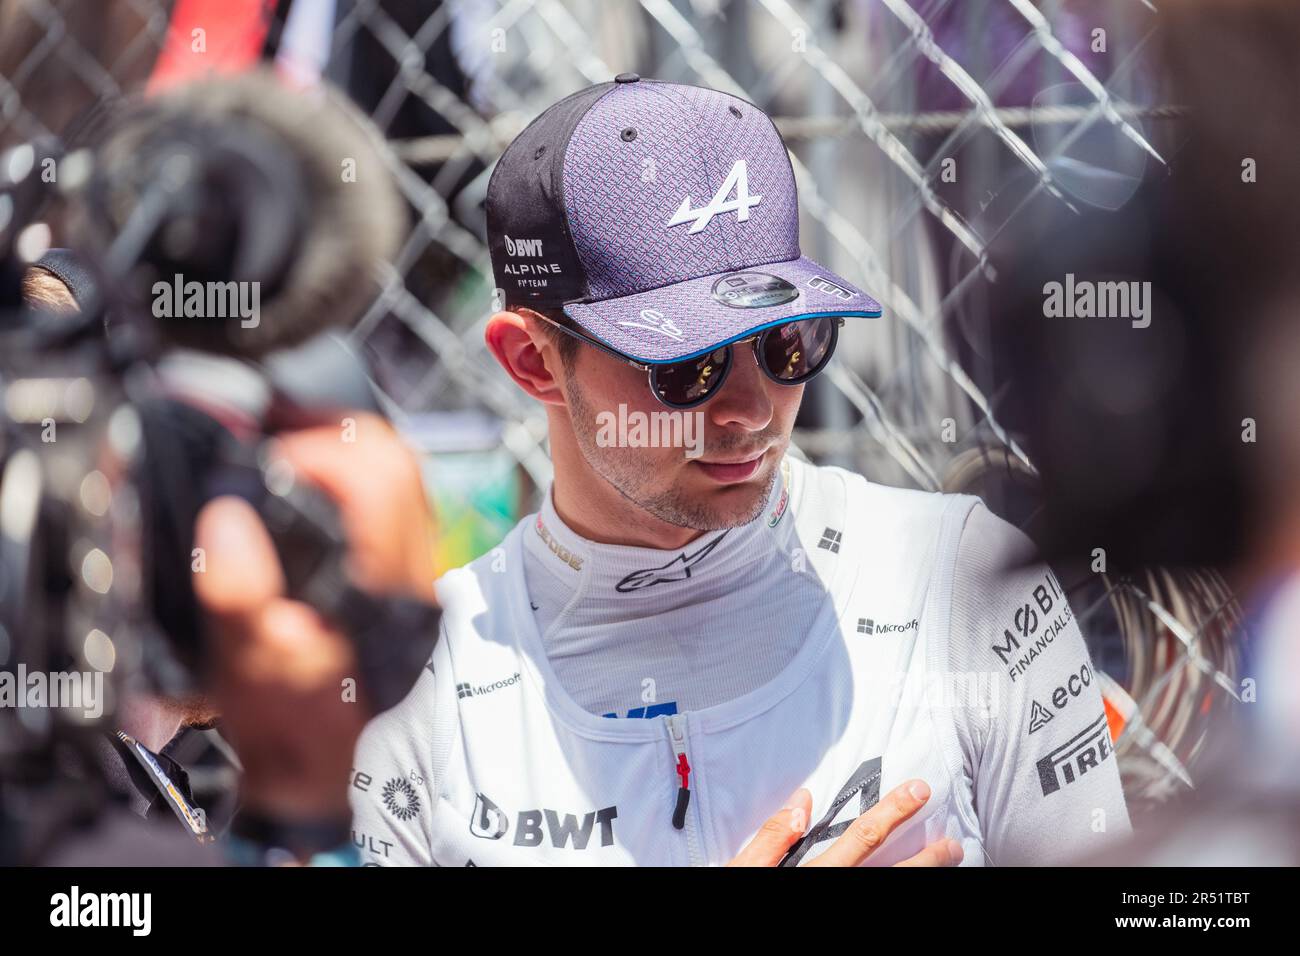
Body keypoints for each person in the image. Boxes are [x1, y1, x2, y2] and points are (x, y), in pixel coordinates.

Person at [333, 77, 1132, 866]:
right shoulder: (417, 692)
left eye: (791, 343)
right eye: (688, 363)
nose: (753, 410)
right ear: (532, 361)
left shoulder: (959, 580)